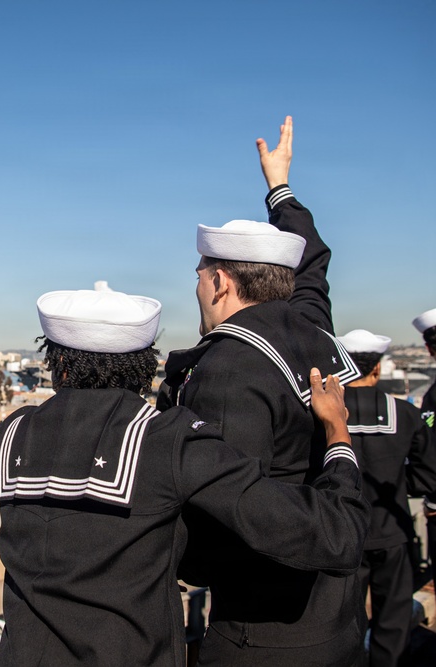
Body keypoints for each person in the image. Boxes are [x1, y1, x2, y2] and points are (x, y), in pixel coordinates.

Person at [0, 283, 368, 667]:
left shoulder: (13, 437)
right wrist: (338, 435)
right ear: (143, 366)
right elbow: (334, 535)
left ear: (57, 366)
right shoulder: (170, 441)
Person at [158, 116, 364, 665]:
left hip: (266, 630)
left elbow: (230, 513)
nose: (197, 286)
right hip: (339, 613)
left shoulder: (226, 369)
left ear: (221, 282)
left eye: (200, 275)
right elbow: (313, 260)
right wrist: (281, 188)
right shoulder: (310, 324)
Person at [337, 329, 436, 666]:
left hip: (341, 533)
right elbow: (430, 473)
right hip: (391, 532)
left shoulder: (322, 414)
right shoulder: (405, 415)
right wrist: (398, 483)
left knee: (342, 619)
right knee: (392, 620)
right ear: (377, 369)